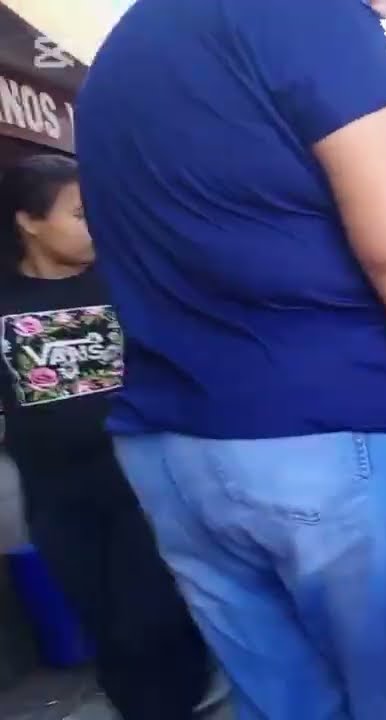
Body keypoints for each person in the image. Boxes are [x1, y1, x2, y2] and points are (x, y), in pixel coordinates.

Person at [75, 0, 386, 717]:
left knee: (285, 706)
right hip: (342, 438)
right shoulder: (312, 16)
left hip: (175, 453)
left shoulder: (126, 51)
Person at [0, 155, 215, 719]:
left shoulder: (126, 281)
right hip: (56, 497)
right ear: (29, 221)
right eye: (79, 214)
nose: (95, 226)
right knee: (106, 629)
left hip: (144, 484)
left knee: (154, 620)